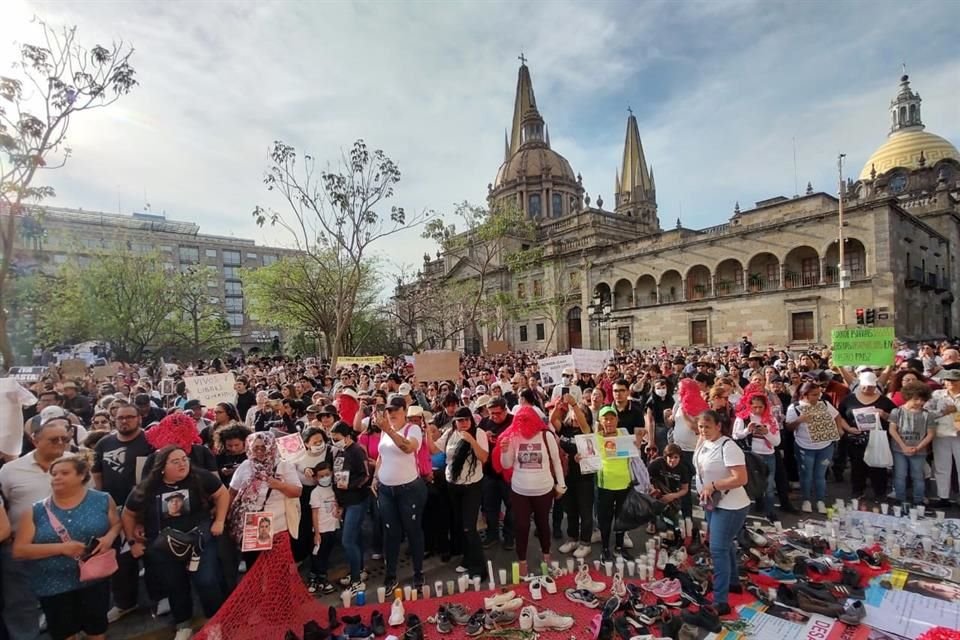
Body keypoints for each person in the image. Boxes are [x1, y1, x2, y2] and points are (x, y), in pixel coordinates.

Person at [123, 446, 229, 640]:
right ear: (161, 467)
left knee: (207, 581)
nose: (183, 464)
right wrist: (132, 541)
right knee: (175, 585)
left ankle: (215, 622)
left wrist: (220, 520)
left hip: (199, 542)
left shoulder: (200, 476)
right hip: (164, 547)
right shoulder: (147, 486)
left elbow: (222, 493)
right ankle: (183, 624)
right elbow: (128, 513)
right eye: (176, 461)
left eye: (184, 459)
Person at [13, 455, 120, 640]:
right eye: (53, 474)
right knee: (64, 634)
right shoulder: (35, 510)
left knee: (96, 632)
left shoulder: (102, 500)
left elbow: (116, 524)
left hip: (94, 581)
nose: (57, 477)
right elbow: (19, 550)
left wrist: (109, 537)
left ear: (82, 476)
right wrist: (61, 548)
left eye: (64, 473)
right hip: (53, 585)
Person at [0, 414, 72, 639]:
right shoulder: (11, 470)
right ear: (35, 440)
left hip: (64, 548)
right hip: (21, 550)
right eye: (54, 439)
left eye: (64, 438)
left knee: (63, 602)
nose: (60, 443)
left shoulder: (75, 464)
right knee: (21, 604)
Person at [92, 403, 158, 622]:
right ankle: (124, 603)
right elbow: (98, 475)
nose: (125, 421)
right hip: (114, 511)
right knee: (122, 560)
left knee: (153, 555)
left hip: (146, 510)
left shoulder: (150, 442)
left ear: (139, 418)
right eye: (120, 417)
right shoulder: (104, 443)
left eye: (130, 417)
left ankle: (160, 597)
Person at [498, 405, 566, 576]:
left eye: (527, 419)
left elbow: (556, 461)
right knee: (521, 526)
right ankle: (522, 560)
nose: (524, 423)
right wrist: (504, 450)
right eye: (520, 420)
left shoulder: (546, 435)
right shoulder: (513, 436)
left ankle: (546, 554)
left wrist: (561, 484)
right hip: (520, 490)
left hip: (543, 489)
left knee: (543, 523)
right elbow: (506, 464)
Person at [694, 410, 749, 616]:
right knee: (725, 545)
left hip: (731, 505)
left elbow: (741, 478)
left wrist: (714, 485)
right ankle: (733, 582)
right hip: (712, 503)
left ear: (719, 426)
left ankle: (720, 600)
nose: (704, 430)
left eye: (707, 427)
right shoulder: (704, 443)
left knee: (717, 549)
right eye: (701, 427)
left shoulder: (729, 446)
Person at [372, 396, 428, 591]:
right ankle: (391, 575)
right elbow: (381, 455)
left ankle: (418, 572)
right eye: (389, 410)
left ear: (404, 410)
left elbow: (408, 448)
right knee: (390, 532)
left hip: (409, 490)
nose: (392, 414)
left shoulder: (412, 429)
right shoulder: (385, 432)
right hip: (386, 490)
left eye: (396, 410)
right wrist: (375, 477)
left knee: (413, 530)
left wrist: (388, 429)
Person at [227, 431, 302, 567]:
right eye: (256, 448)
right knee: (254, 566)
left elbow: (297, 492)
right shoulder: (246, 466)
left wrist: (279, 485)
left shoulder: (284, 466)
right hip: (252, 524)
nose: (260, 451)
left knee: (277, 566)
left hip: (278, 526)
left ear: (271, 447)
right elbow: (232, 492)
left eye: (264, 447)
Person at [435, 407, 488, 580]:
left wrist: (471, 440)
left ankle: (479, 568)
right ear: (455, 422)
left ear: (471, 420)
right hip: (453, 485)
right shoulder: (450, 434)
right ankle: (467, 559)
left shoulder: (478, 433)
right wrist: (426, 433)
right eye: (460, 420)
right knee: (459, 525)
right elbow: (434, 450)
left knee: (469, 527)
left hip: (472, 485)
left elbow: (484, 458)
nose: (464, 423)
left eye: (466, 420)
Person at [785, 382, 847, 513]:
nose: (817, 397)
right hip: (804, 446)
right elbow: (789, 427)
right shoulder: (795, 407)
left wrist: (839, 428)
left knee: (820, 475)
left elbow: (836, 415)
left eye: (819, 394)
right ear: (804, 395)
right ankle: (806, 500)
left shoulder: (824, 404)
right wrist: (799, 420)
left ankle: (820, 500)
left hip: (825, 446)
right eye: (814, 395)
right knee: (806, 474)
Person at [837, 371, 897, 503]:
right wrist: (848, 428)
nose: (868, 389)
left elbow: (896, 417)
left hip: (878, 438)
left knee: (878, 466)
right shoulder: (849, 399)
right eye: (865, 386)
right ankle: (858, 490)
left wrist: (884, 415)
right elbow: (839, 416)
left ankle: (880, 492)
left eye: (871, 386)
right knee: (857, 465)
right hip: (856, 438)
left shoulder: (884, 401)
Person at [552, 392, 594, 559]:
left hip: (584, 477)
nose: (576, 416)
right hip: (567, 475)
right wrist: (558, 406)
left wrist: (575, 405)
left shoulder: (586, 429)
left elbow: (583, 424)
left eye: (581, 413)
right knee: (570, 509)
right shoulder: (566, 428)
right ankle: (573, 538)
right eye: (575, 413)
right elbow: (553, 420)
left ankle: (585, 542)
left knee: (585, 510)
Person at [888, 382, 945, 506]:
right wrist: (903, 446)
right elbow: (892, 429)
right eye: (916, 399)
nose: (919, 402)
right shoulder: (896, 412)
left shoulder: (927, 415)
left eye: (922, 399)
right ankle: (900, 498)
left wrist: (918, 447)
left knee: (918, 476)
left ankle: (918, 500)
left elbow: (931, 433)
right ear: (908, 397)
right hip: (899, 449)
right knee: (900, 475)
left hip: (919, 451)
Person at [330, 421, 369, 593]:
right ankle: (358, 571)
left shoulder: (357, 451)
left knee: (348, 540)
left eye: (336, 438)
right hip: (345, 501)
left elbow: (365, 475)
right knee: (355, 538)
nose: (334, 441)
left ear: (347, 437)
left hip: (357, 500)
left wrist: (351, 485)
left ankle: (356, 580)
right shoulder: (339, 451)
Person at [732, 391, 781, 521]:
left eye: (761, 407)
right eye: (754, 407)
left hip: (768, 456)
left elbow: (777, 441)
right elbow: (735, 435)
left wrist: (767, 433)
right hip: (750, 456)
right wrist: (747, 430)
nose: (758, 410)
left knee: (769, 486)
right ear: (749, 406)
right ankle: (745, 515)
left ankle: (770, 512)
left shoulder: (771, 419)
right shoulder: (743, 418)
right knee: (748, 485)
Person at [593, 406, 632, 562]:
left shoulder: (624, 433)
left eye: (612, 418)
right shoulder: (596, 437)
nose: (609, 422)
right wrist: (580, 458)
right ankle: (604, 548)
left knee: (622, 517)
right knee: (605, 518)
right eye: (605, 419)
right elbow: (587, 457)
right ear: (600, 421)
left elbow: (634, 449)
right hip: (605, 484)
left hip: (624, 483)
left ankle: (619, 547)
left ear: (617, 419)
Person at [479, 397, 514, 549]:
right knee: (490, 507)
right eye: (491, 413)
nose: (494, 417)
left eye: (497, 413)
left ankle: (509, 537)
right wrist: (482, 438)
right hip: (489, 473)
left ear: (505, 410)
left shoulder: (514, 421)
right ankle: (492, 534)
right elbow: (476, 441)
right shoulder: (485, 422)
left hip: (509, 474)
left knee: (511, 507)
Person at [927, 369, 960, 508]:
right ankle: (943, 497)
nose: (950, 382)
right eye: (947, 380)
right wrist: (944, 411)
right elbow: (927, 413)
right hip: (941, 434)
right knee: (941, 467)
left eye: (953, 380)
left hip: (958, 435)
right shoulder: (937, 395)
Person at [307, 462, 339, 595]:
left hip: (333, 527)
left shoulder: (335, 488)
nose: (325, 477)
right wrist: (317, 532)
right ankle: (316, 578)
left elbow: (339, 504)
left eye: (327, 474)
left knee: (326, 554)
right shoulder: (315, 493)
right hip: (322, 529)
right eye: (321, 476)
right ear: (316, 478)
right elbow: (314, 513)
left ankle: (321, 577)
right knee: (318, 555)